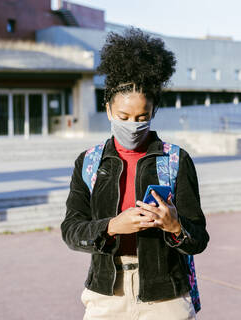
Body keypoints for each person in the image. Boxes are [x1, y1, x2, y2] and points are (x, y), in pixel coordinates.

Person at [61, 27, 209, 320]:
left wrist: (175, 227)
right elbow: (71, 230)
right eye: (124, 117)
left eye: (142, 117)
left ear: (153, 112)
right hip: (106, 296)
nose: (133, 125)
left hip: (166, 296)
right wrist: (113, 226)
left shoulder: (176, 160)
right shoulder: (89, 162)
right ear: (107, 110)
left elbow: (199, 238)